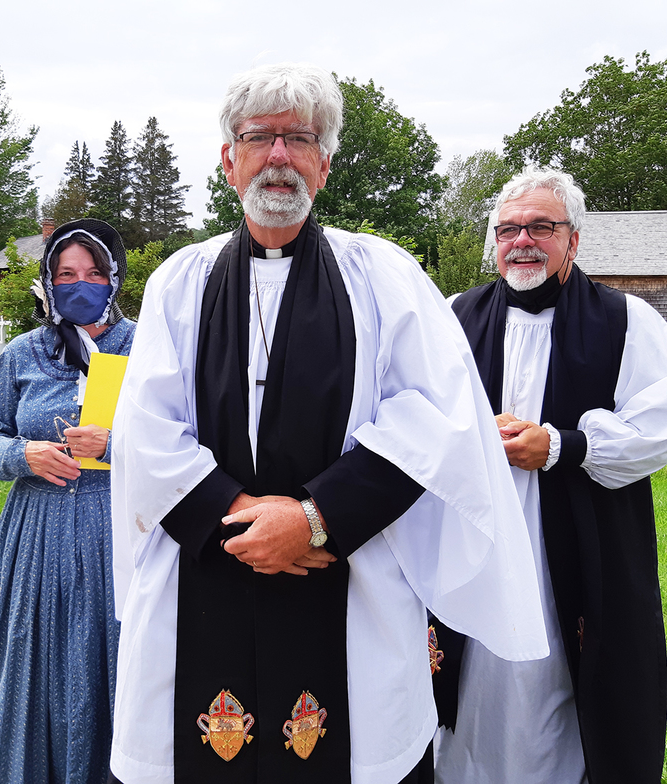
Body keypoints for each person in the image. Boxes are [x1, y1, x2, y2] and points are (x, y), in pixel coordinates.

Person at [108, 63, 548, 784]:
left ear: (324, 164)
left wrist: (315, 517)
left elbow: (432, 415)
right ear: (228, 160)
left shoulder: (382, 274)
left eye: (299, 139)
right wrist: (246, 519)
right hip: (203, 577)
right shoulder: (180, 281)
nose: (278, 155)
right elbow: (146, 428)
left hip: (348, 572)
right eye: (259, 137)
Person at [432, 166, 667, 783]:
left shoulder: (625, 321)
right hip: (475, 538)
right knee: (470, 683)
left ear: (572, 240)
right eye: (508, 229)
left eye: (541, 228)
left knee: (549, 679)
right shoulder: (453, 318)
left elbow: (661, 423)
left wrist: (560, 445)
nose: (522, 241)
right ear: (493, 242)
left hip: (574, 543)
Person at [0, 219, 136, 784]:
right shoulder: (24, 354)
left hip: (118, 529)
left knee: (115, 655)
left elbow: (190, 437)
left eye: (93, 273)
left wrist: (119, 445)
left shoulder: (147, 347)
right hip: (36, 535)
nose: (80, 284)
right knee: (34, 657)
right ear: (48, 283)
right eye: (66, 274)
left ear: (114, 279)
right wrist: (23, 455)